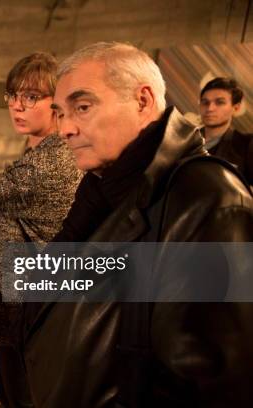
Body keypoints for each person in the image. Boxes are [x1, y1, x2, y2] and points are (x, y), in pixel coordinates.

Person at [23, 42, 253, 407]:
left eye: (82, 108)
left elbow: (212, 384)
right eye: (60, 113)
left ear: (143, 101)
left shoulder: (208, 199)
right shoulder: (104, 188)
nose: (65, 128)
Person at [0, 53, 80, 407]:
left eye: (32, 97)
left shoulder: (49, 161)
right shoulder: (49, 149)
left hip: (31, 308)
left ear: (57, 103)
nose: (18, 107)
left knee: (22, 398)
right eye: (12, 96)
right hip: (35, 301)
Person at [199, 77, 253, 184]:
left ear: (236, 108)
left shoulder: (246, 145)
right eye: (205, 102)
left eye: (219, 102)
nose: (210, 108)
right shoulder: (184, 140)